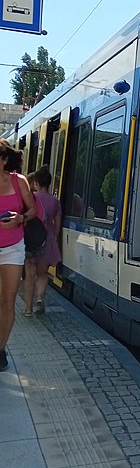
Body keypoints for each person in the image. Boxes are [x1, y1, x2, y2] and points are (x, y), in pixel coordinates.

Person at [0, 138, 36, 371]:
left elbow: (33, 210)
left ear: (3, 160)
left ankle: (0, 349)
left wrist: (20, 218)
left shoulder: (18, 181)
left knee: (8, 300)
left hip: (12, 248)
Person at [23, 166, 62, 317]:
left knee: (29, 274)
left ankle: (27, 309)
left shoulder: (31, 198)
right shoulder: (55, 202)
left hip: (30, 241)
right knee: (42, 273)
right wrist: (53, 238)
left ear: (36, 183)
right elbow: (57, 225)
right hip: (46, 240)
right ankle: (40, 298)